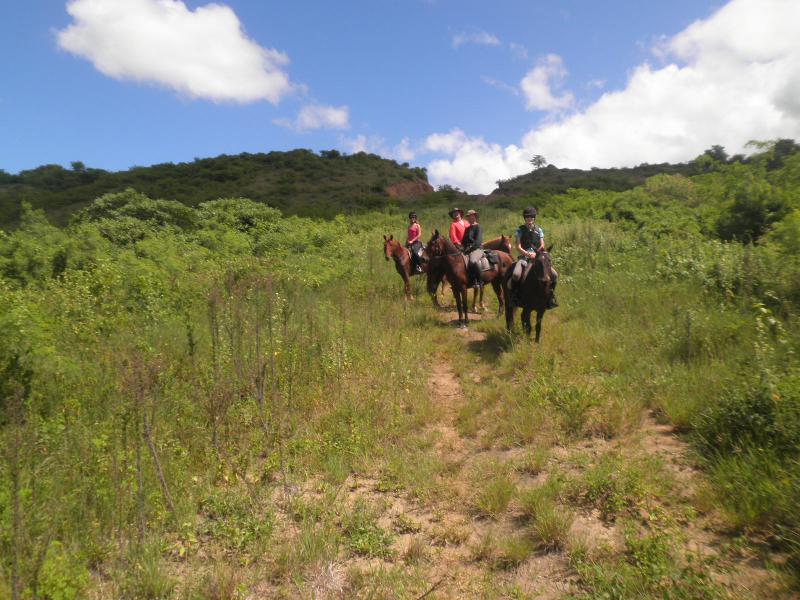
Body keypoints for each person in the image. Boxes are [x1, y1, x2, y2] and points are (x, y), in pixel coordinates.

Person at [510, 206, 558, 307]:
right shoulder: (520, 230)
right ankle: (514, 296)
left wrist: (536, 254)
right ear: (525, 218)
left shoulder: (539, 230)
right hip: (524, 257)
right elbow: (518, 246)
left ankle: (551, 296)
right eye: (527, 217)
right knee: (516, 274)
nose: (529, 219)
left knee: (554, 275)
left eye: (531, 217)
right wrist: (527, 254)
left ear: (534, 218)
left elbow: (542, 245)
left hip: (537, 257)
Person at [461, 209, 484, 288]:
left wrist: (469, 249)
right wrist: (461, 248)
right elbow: (463, 241)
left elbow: (478, 242)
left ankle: (479, 280)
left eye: (471, 216)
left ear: (474, 217)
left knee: (472, 260)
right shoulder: (467, 229)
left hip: (477, 249)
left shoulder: (478, 227)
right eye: (468, 217)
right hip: (467, 249)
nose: (469, 218)